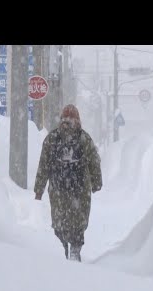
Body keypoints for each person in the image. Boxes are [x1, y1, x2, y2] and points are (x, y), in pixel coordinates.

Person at [34, 104, 102, 261]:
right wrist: (96, 183)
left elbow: (43, 165)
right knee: (79, 220)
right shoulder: (84, 138)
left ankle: (63, 246)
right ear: (78, 120)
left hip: (57, 188)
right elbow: (94, 162)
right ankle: (75, 248)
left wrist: (39, 189)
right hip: (80, 189)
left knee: (59, 221)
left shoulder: (52, 138)